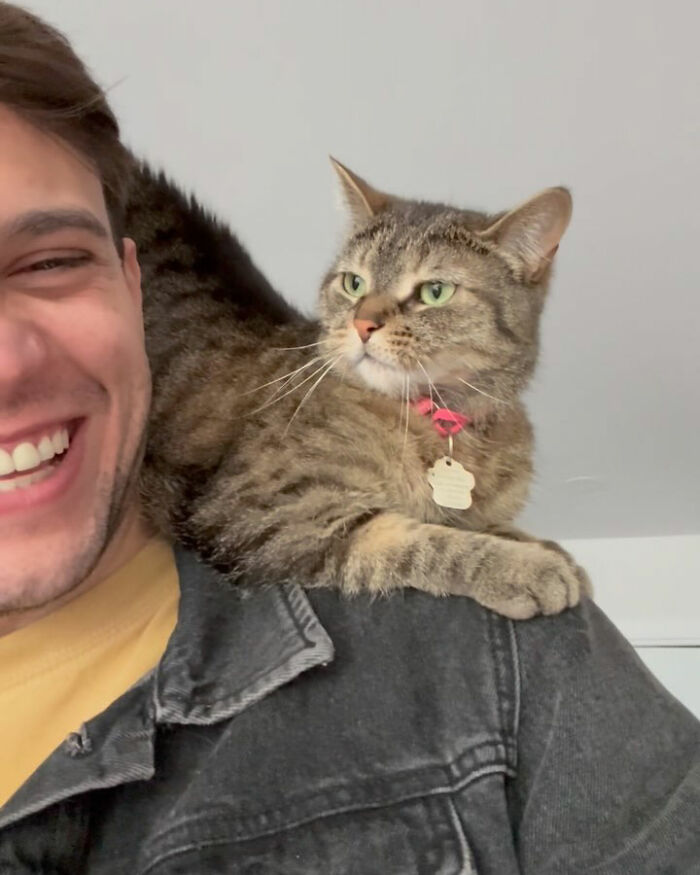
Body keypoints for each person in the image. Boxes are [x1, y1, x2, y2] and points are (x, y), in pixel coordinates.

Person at [0, 4, 698, 872]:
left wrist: (464, 554)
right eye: (358, 285)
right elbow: (269, 523)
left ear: (130, 285)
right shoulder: (302, 401)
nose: (369, 320)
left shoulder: (504, 664)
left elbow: (261, 531)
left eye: (50, 261)